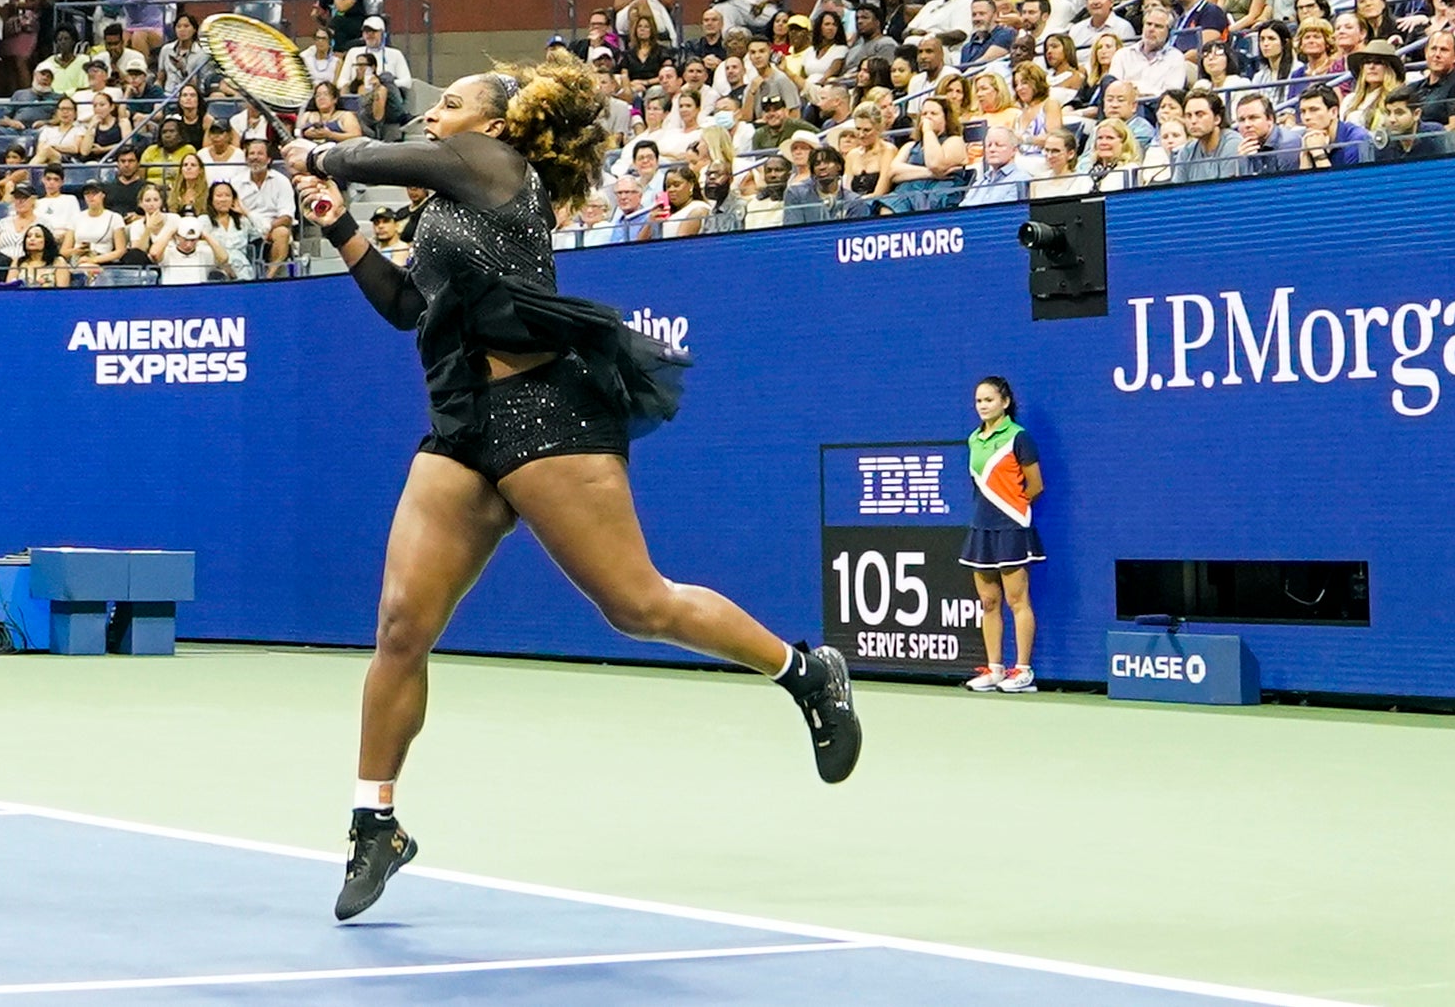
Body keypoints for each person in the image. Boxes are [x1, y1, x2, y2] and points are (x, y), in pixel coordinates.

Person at [282, 63, 857, 920]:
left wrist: (326, 154)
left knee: (637, 605)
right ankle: (376, 821)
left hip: (546, 415)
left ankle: (804, 670)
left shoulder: (494, 169)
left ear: (497, 125)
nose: (434, 112)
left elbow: (376, 155)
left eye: (450, 102)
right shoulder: (445, 204)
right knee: (401, 626)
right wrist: (340, 232)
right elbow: (409, 305)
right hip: (462, 426)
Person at [960, 375, 1046, 693]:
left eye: (989, 400)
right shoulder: (973, 439)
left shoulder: (1019, 437)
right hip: (980, 528)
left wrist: (1013, 512)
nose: (983, 406)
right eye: (979, 401)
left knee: (1016, 599)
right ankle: (995, 669)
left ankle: (1023, 671)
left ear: (1005, 402)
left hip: (1011, 527)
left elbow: (1034, 485)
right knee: (988, 601)